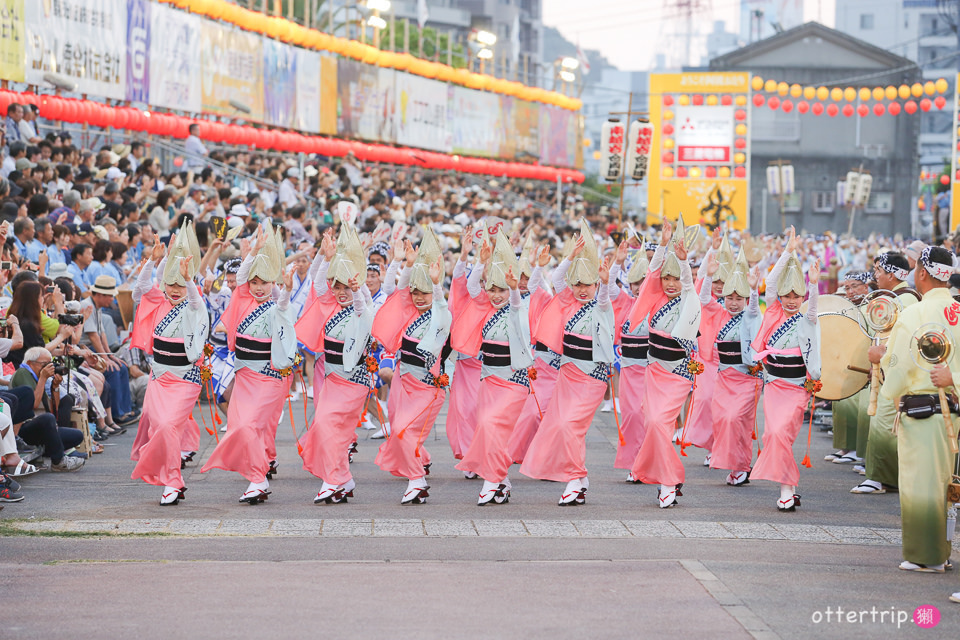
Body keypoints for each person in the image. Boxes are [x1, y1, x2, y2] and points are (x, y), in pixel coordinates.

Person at [876, 246, 958, 581]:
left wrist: (886, 383)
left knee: (921, 484)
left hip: (923, 410)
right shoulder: (958, 310)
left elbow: (897, 364)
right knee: (944, 483)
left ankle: (928, 555)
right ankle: (942, 550)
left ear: (922, 273)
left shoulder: (915, 315)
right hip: (952, 410)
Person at [201, 221, 298, 504]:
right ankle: (259, 476)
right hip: (244, 377)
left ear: (273, 283)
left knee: (251, 426)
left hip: (269, 377)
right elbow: (240, 278)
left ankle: (258, 479)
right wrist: (252, 253)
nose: (257, 287)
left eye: (263, 282)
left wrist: (285, 289)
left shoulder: (279, 305)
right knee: (240, 427)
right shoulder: (240, 299)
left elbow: (283, 304)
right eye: (254, 282)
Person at [520, 219, 615, 506]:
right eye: (578, 284)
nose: (581, 289)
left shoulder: (601, 307)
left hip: (591, 379)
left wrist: (606, 282)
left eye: (588, 284)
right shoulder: (567, 301)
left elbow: (603, 297)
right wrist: (571, 257)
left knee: (569, 427)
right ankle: (578, 479)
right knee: (559, 426)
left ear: (596, 284)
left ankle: (575, 478)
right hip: (567, 375)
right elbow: (559, 280)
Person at [128, 221, 208, 504]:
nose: (175, 290)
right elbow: (139, 290)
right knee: (157, 426)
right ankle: (173, 479)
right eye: (170, 284)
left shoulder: (194, 305)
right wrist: (153, 259)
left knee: (167, 426)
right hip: (159, 377)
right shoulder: (159, 300)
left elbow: (197, 304)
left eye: (180, 285)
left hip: (186, 378)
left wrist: (188, 280)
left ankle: (172, 481)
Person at [452, 229, 533, 504]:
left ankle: (491, 480)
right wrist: (478, 261)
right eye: (493, 290)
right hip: (489, 379)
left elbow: (513, 304)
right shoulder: (485, 307)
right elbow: (473, 288)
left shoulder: (517, 308)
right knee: (491, 431)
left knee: (489, 424)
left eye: (500, 290)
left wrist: (512, 289)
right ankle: (502, 480)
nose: (495, 295)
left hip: (514, 381)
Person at [371, 229, 450, 504]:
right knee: (400, 431)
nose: (418, 297)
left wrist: (437, 285)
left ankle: (417, 480)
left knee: (404, 432)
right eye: (416, 292)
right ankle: (421, 462)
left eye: (424, 293)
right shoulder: (408, 313)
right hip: (403, 384)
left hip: (428, 390)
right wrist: (404, 264)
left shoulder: (442, 315)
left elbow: (440, 308)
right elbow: (395, 292)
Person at [627, 219, 702, 508]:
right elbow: (651, 273)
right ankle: (667, 478)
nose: (670, 284)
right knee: (653, 424)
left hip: (678, 373)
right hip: (654, 372)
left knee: (660, 423)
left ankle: (669, 481)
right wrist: (661, 244)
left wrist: (683, 264)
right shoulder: (654, 298)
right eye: (666, 279)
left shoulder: (687, 300)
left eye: (675, 279)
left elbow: (689, 287)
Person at [296, 223, 372, 503]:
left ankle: (332, 480)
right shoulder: (329, 306)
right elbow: (317, 285)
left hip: (353, 382)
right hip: (330, 380)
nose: (341, 292)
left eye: (345, 287)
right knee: (330, 430)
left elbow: (363, 306)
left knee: (331, 428)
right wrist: (322, 256)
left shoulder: (363, 309)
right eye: (337, 287)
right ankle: (343, 479)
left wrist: (358, 285)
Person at [749, 226, 821, 512]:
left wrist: (813, 284)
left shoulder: (808, 317)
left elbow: (813, 305)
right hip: (775, 385)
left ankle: (787, 487)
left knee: (781, 433)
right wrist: (788, 251)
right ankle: (787, 488)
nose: (791, 300)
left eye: (797, 296)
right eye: (786, 295)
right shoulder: (773, 313)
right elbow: (771, 279)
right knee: (772, 435)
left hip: (796, 388)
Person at [852, 252, 921, 494]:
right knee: (882, 422)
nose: (876, 275)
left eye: (879, 270)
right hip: (886, 367)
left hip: (896, 369)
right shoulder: (896, 297)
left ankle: (881, 478)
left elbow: (907, 340)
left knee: (885, 423)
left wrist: (883, 356)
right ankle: (882, 476)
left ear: (891, 275)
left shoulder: (907, 300)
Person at [701, 248, 763, 486]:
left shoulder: (751, 314)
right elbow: (705, 300)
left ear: (746, 300)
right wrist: (708, 275)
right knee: (724, 420)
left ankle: (742, 465)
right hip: (724, 378)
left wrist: (755, 289)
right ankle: (740, 466)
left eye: (739, 298)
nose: (734, 303)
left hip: (747, 378)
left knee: (735, 418)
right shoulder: (719, 313)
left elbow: (755, 308)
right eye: (730, 298)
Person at [608, 240, 649, 479]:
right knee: (631, 416)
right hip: (628, 370)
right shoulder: (624, 302)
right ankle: (634, 464)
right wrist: (618, 261)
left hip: (653, 371)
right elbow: (609, 286)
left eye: (642, 282)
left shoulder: (658, 306)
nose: (637, 287)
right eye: (634, 283)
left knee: (648, 417)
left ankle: (646, 463)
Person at [11, 347, 84, 472]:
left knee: (77, 436)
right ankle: (58, 461)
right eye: (45, 364)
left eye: (50, 364)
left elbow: (52, 410)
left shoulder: (38, 377)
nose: (48, 368)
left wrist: (55, 387)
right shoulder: (23, 373)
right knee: (47, 419)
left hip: (38, 427)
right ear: (30, 363)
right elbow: (33, 404)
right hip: (22, 429)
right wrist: (43, 379)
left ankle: (52, 449)